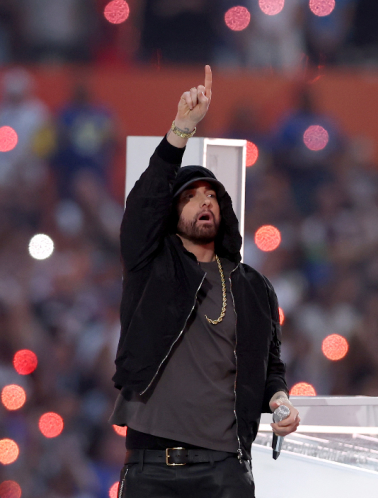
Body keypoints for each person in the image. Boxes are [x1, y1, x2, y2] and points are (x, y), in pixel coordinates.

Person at [110, 66, 300, 497]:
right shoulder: (150, 267)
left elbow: (270, 365)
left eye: (211, 195)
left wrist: (280, 400)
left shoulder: (252, 287)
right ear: (171, 214)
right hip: (151, 467)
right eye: (191, 196)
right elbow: (142, 208)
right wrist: (182, 128)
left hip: (224, 470)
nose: (204, 202)